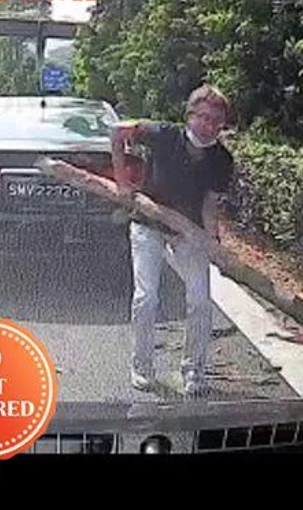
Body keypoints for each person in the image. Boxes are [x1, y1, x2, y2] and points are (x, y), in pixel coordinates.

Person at [110, 84, 235, 398]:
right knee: (146, 297)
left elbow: (209, 204)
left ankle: (194, 370)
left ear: (222, 124)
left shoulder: (222, 159)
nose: (207, 126)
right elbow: (117, 131)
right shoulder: (163, 134)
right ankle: (142, 367)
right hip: (147, 223)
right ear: (190, 116)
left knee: (200, 301)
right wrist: (122, 182)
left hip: (188, 231)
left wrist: (212, 241)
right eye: (202, 117)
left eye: (215, 121)